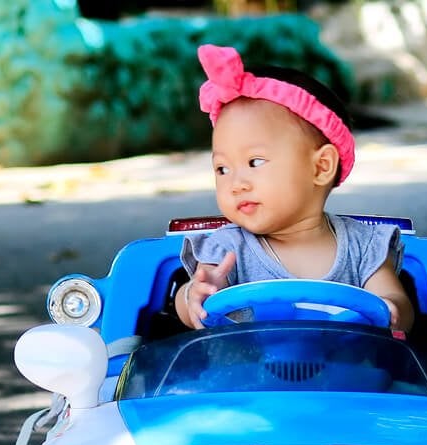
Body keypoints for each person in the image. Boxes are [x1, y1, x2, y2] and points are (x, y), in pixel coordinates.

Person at [174, 44, 414, 333]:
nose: (236, 183)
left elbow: (396, 303)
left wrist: (391, 308)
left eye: (255, 161)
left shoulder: (364, 246)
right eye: (222, 168)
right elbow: (195, 295)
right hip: (243, 375)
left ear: (321, 167)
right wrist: (193, 296)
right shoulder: (226, 249)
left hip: (348, 374)